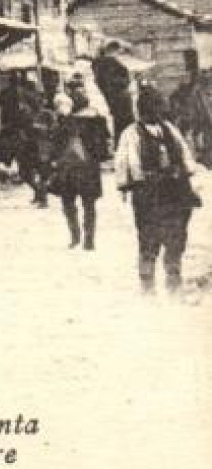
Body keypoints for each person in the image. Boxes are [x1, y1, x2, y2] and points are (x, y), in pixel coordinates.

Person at [116, 86, 203, 293]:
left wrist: (183, 171)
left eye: (159, 107)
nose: (157, 112)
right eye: (153, 107)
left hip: (174, 192)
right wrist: (134, 182)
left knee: (176, 238)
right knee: (149, 239)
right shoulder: (132, 133)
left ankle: (174, 281)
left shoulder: (169, 129)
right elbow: (126, 163)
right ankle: (147, 286)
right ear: (143, 110)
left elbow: (184, 155)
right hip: (149, 195)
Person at [49, 77, 111, 251]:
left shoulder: (65, 119)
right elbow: (105, 146)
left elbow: (56, 142)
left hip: (69, 168)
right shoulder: (97, 118)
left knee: (68, 202)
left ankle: (75, 236)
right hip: (89, 168)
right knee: (89, 204)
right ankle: (89, 240)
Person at [93, 40, 134, 142]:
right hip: (119, 99)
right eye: (118, 52)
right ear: (113, 50)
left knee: (119, 124)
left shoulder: (100, 64)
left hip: (112, 99)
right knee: (124, 124)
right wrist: (127, 79)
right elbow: (112, 81)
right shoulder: (110, 63)